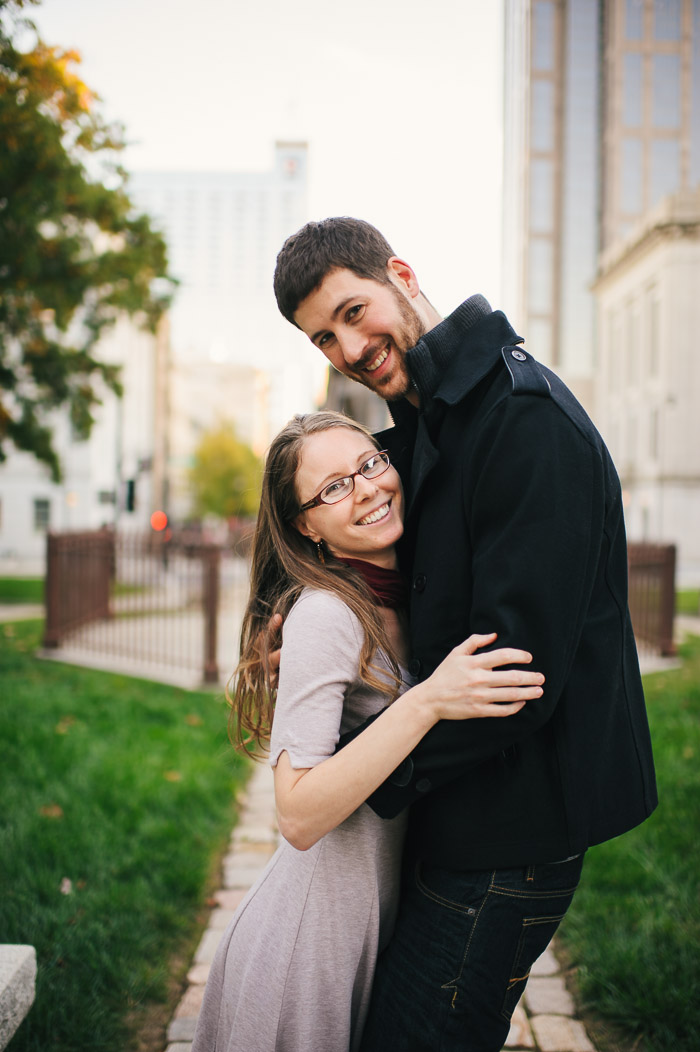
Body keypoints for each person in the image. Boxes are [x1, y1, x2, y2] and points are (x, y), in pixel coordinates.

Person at [272, 218, 658, 1052]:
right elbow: (340, 515)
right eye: (323, 337)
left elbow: (515, 678)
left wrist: (358, 768)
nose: (348, 346)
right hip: (458, 820)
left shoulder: (523, 423)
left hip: (509, 836)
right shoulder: (429, 420)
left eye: (352, 310)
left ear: (401, 274)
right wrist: (297, 618)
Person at [190, 411, 544, 1052]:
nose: (367, 489)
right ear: (306, 526)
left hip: (368, 926)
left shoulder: (400, 596)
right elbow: (296, 815)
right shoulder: (327, 612)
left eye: (370, 464)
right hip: (307, 946)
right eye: (332, 488)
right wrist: (429, 701)